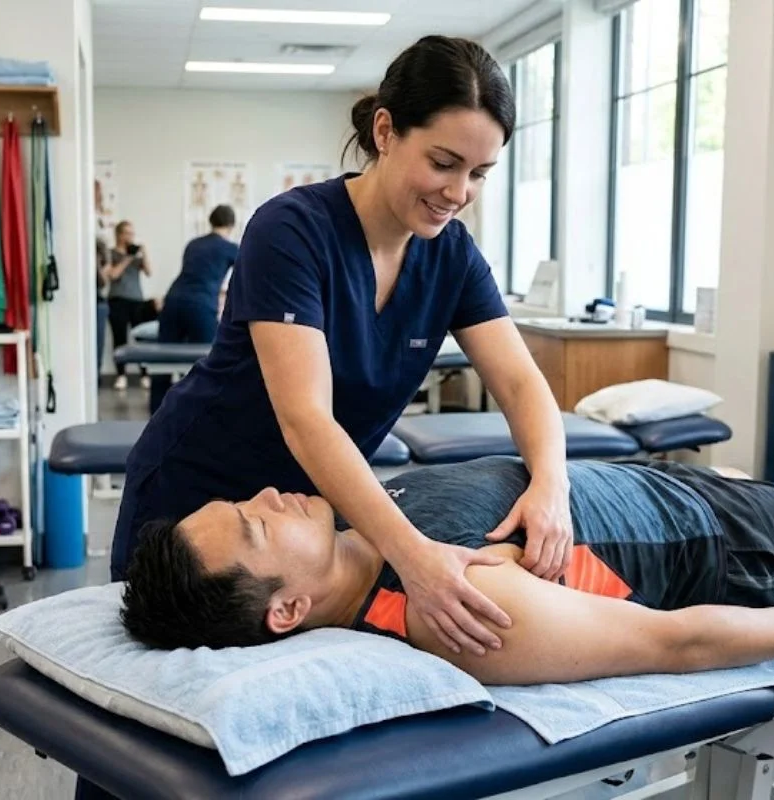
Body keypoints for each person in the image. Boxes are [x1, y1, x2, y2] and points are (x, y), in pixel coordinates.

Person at [111, 35, 573, 665]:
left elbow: (521, 384)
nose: (459, 191)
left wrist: (551, 483)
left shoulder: (452, 255)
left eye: (479, 173)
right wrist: (414, 558)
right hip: (202, 500)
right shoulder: (292, 230)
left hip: (307, 525)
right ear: (385, 130)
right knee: (155, 705)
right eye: (443, 162)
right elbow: (307, 419)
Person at [122, 456, 774, 685]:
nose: (267, 496)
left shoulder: (369, 522)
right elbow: (676, 642)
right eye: (257, 526)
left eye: (242, 503)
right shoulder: (454, 608)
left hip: (694, 490)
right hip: (739, 544)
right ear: (287, 609)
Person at [149, 204, 239, 414]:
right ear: (231, 225)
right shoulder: (230, 248)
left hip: (172, 301)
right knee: (208, 364)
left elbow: (197, 273)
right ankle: (201, 415)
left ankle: (156, 415)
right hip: (199, 305)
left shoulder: (193, 244)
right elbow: (246, 276)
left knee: (162, 360)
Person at [107, 220, 158, 391]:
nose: (130, 237)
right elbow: (112, 275)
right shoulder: (111, 253)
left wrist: (144, 253)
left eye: (132, 233)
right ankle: (121, 375)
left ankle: (144, 374)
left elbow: (149, 272)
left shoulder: (136, 255)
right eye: (127, 233)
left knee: (141, 338)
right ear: (119, 235)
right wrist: (127, 258)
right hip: (117, 300)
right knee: (119, 338)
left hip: (136, 301)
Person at [95, 238, 110, 382]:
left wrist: (97, 264)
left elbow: (103, 283)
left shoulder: (104, 263)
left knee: (98, 343)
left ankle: (96, 376)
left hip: (98, 303)